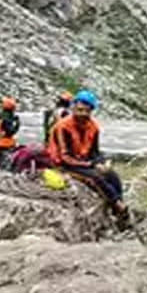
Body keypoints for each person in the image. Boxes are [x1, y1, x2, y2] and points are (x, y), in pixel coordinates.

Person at [48, 90, 129, 223]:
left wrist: (103, 162)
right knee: (96, 177)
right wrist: (92, 165)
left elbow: (94, 152)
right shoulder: (62, 127)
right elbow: (65, 157)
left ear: (91, 110)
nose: (82, 114)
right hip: (64, 164)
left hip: (82, 160)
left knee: (112, 176)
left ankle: (119, 204)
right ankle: (117, 205)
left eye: (86, 111)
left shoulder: (93, 127)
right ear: (73, 107)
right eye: (79, 110)